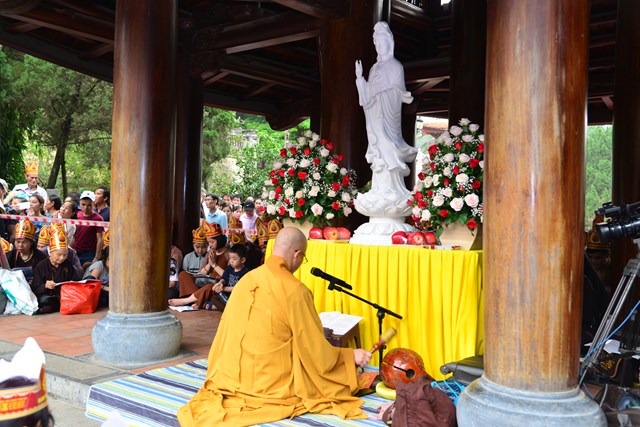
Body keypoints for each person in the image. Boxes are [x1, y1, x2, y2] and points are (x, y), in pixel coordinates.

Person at [177, 227, 372, 426]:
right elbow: (314, 351)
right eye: (303, 258)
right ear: (297, 254)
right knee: (317, 379)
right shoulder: (296, 290)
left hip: (228, 375)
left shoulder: (246, 280)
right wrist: (350, 357)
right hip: (269, 384)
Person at [32, 227, 83, 314]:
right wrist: (45, 286)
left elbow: (74, 279)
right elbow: (35, 288)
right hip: (48, 295)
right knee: (44, 300)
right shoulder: (41, 266)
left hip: (64, 294)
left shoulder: (68, 264)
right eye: (59, 255)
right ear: (51, 253)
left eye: (65, 255)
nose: (62, 258)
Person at [6, 219, 48, 284]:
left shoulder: (41, 257)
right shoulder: (9, 255)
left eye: (24, 242)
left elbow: (44, 276)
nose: (20, 245)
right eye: (18, 242)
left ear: (31, 243)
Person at [74, 190, 104, 265]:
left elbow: (100, 238)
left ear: (94, 204)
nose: (86, 208)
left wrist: (97, 257)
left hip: (90, 252)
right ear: (80, 203)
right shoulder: (76, 215)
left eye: (89, 205)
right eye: (83, 204)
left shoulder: (98, 218)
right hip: (76, 250)